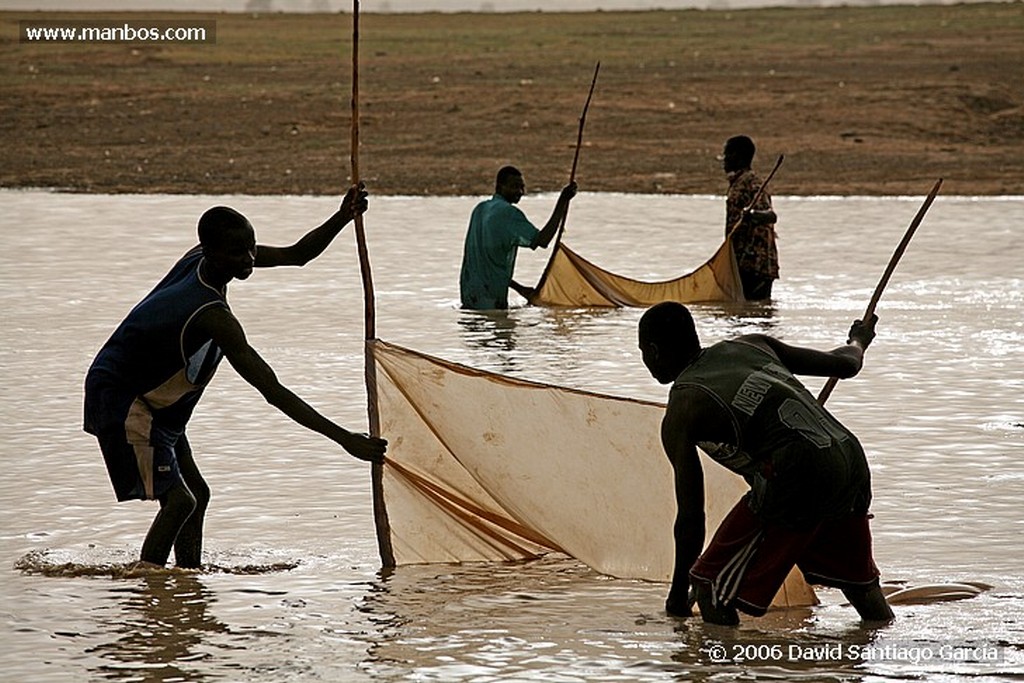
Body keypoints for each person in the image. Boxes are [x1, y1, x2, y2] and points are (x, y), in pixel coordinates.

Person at [84, 184, 387, 571]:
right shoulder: (212, 314)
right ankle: (150, 592)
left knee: (198, 494)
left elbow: (298, 255)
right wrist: (345, 439)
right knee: (181, 501)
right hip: (123, 398)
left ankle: (187, 580)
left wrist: (344, 215)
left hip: (156, 401)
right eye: (237, 253)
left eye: (252, 248)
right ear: (211, 252)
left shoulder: (208, 258)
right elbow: (272, 390)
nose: (248, 260)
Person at [638, 301, 893, 625]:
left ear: (654, 351)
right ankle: (885, 648)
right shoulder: (752, 344)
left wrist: (676, 597)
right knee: (859, 586)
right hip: (848, 457)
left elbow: (690, 518)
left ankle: (728, 667)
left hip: (797, 473)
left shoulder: (683, 408)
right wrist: (859, 340)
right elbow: (845, 364)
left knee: (711, 587)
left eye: (643, 352)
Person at [459, 165, 577, 309]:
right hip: (491, 300)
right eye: (515, 187)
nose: (520, 192)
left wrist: (520, 289)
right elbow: (543, 240)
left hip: (469, 295)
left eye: (522, 187)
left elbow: (490, 267)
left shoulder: (479, 209)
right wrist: (562, 201)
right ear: (500, 186)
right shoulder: (509, 213)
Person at [723, 135, 779, 301]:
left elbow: (770, 215)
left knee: (754, 308)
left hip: (755, 265)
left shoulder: (751, 182)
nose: (724, 160)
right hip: (740, 263)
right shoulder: (737, 183)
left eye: (727, 155)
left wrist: (751, 215)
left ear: (739, 156)